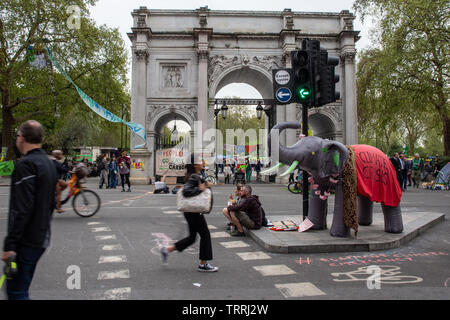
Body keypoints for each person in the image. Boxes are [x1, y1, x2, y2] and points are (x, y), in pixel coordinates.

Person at [2, 120, 57, 300]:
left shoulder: (25, 165)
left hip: (27, 239)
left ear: (21, 137)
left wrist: (11, 244)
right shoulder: (49, 164)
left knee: (17, 291)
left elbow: (22, 208)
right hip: (41, 236)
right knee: (21, 286)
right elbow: (51, 202)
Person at [160, 154, 218, 272]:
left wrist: (204, 185)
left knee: (192, 238)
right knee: (205, 235)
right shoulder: (194, 176)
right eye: (200, 160)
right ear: (194, 164)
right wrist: (200, 189)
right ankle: (203, 264)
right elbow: (186, 191)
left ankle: (167, 250)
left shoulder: (196, 176)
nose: (203, 162)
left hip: (191, 212)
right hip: (194, 212)